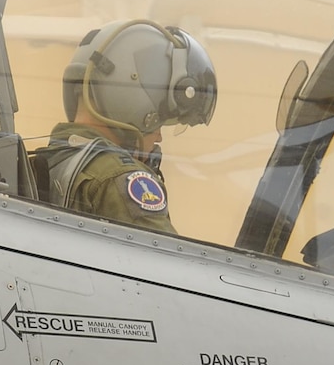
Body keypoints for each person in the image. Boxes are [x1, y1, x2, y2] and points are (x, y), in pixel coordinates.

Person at [32, 18, 216, 235]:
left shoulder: (58, 158)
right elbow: (168, 262)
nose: (159, 137)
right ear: (132, 97)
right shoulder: (120, 179)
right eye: (159, 122)